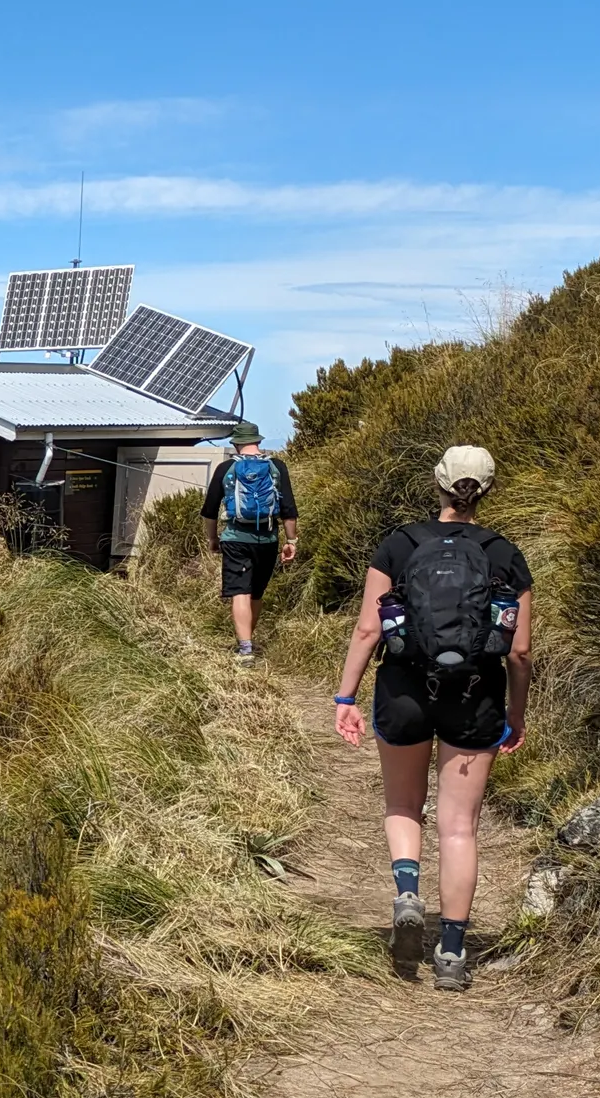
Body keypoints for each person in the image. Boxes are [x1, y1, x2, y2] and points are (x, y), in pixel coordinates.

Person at [331, 446, 532, 990]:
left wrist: (345, 698)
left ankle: (405, 893)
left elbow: (368, 630)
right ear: (486, 490)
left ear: (438, 485)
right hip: (476, 695)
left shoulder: (399, 544)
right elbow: (518, 652)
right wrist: (515, 713)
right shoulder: (504, 553)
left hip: (403, 689)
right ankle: (451, 953)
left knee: (402, 803)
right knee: (459, 826)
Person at [201, 420, 299, 664]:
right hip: (268, 539)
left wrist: (213, 539)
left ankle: (245, 649)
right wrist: (291, 541)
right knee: (256, 593)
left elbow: (210, 510)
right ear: (258, 441)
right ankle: (248, 642)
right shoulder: (276, 467)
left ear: (236, 444)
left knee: (240, 592)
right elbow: (288, 509)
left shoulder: (226, 468)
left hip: (235, 539)